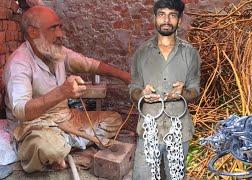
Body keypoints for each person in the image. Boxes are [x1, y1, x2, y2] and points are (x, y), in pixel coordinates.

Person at [3, 6, 130, 173]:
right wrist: (62, 92)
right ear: (33, 32)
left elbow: (91, 64)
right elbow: (20, 111)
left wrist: (126, 77)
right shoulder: (19, 63)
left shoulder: (56, 52)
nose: (60, 34)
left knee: (114, 120)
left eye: (60, 27)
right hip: (35, 126)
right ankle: (61, 149)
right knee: (48, 148)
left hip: (67, 118)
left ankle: (64, 148)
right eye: (53, 28)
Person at [129, 0, 201, 179]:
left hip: (179, 130)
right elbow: (133, 88)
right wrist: (142, 95)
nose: (166, 20)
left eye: (172, 15)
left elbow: (195, 89)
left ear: (179, 20)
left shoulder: (190, 53)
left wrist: (183, 93)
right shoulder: (142, 53)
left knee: (176, 176)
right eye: (162, 14)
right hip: (149, 130)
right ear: (154, 18)